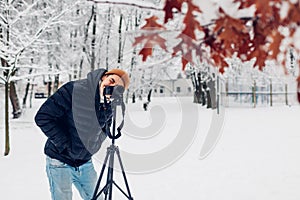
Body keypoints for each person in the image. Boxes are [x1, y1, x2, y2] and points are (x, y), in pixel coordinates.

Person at [35, 68, 130, 200]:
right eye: (111, 80)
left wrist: (93, 147)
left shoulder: (108, 105)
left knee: (97, 198)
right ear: (104, 77)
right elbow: (43, 117)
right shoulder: (75, 89)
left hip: (85, 162)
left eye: (117, 87)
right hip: (59, 160)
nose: (111, 86)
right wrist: (65, 145)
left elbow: (104, 130)